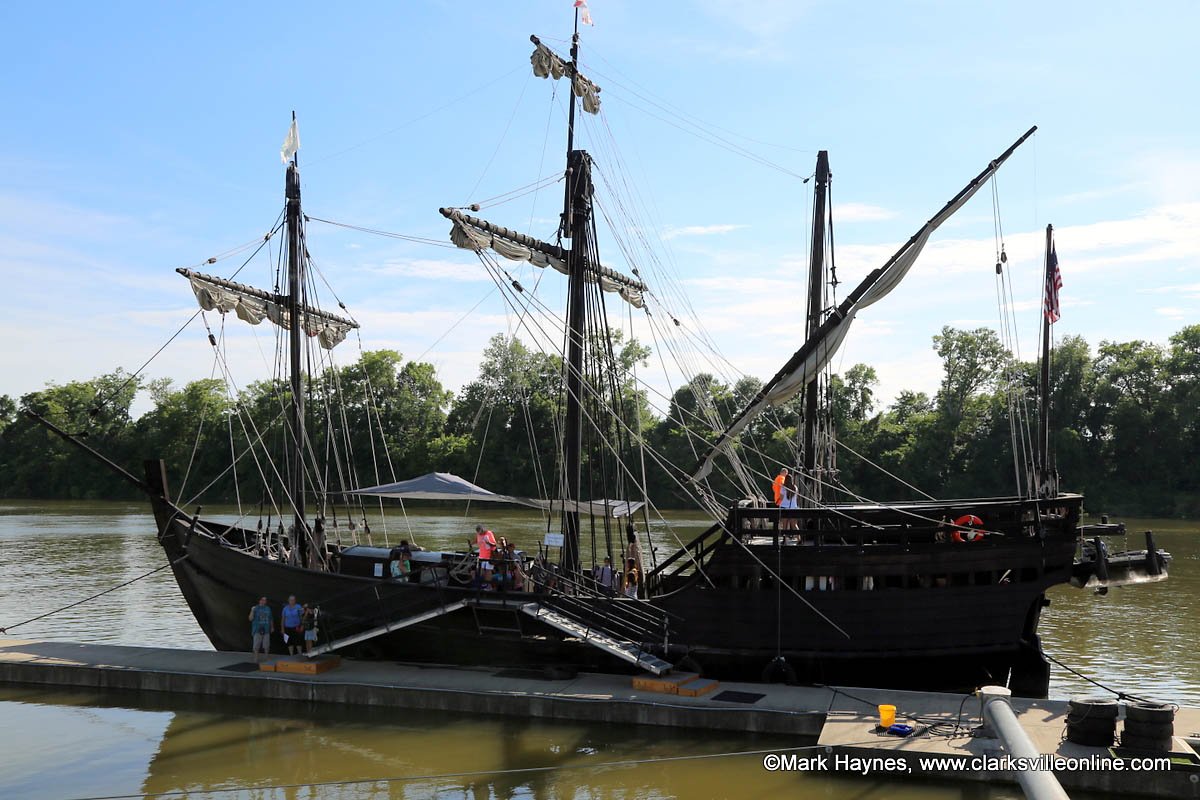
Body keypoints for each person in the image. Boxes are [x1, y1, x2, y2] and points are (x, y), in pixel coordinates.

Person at [248, 596, 273, 663]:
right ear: (259, 601)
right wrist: (252, 610)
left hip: (266, 629)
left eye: (265, 600)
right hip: (257, 629)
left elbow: (270, 618)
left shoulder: (268, 608)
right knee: (256, 646)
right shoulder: (255, 608)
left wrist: (272, 627)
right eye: (262, 600)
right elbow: (250, 618)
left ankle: (266, 658)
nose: (264, 601)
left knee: (266, 645)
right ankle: (256, 659)